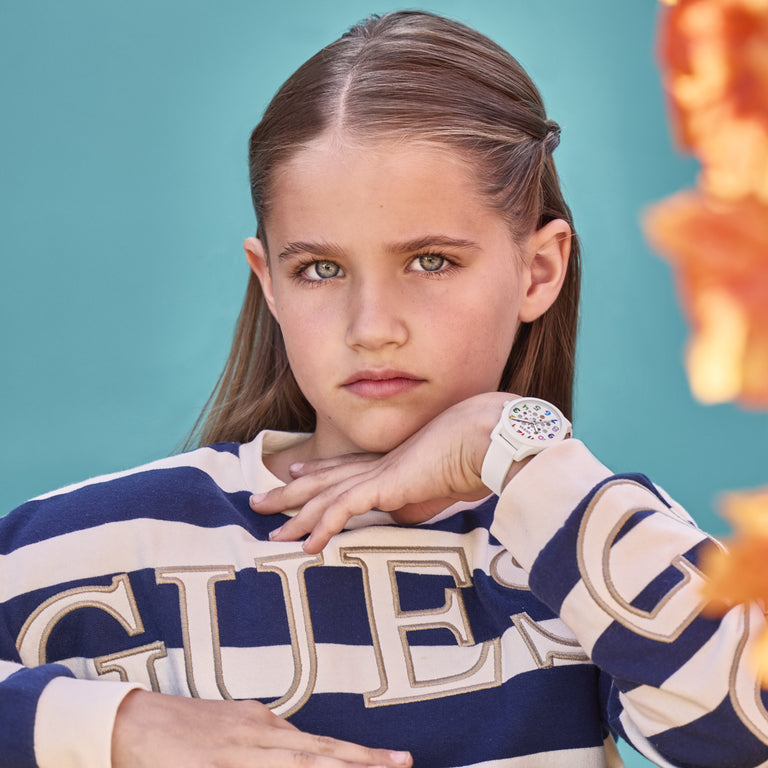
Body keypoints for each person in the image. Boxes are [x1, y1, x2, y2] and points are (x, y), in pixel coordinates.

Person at [1, 9, 767, 768]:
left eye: (431, 261)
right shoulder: (110, 545)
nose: (372, 327)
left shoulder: (584, 540)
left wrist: (517, 445)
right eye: (320, 269)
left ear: (540, 269)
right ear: (268, 282)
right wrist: (119, 728)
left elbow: (745, 737)